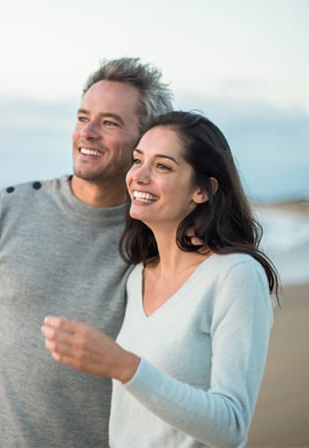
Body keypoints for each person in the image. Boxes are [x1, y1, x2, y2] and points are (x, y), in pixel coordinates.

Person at [0, 58, 173, 447]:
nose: (88, 133)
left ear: (144, 141)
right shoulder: (8, 208)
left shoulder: (155, 241)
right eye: (83, 118)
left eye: (110, 123)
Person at [42, 111, 280, 447]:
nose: (138, 175)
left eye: (162, 166)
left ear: (201, 190)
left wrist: (125, 366)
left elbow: (232, 426)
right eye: (137, 160)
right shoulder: (137, 275)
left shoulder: (235, 275)